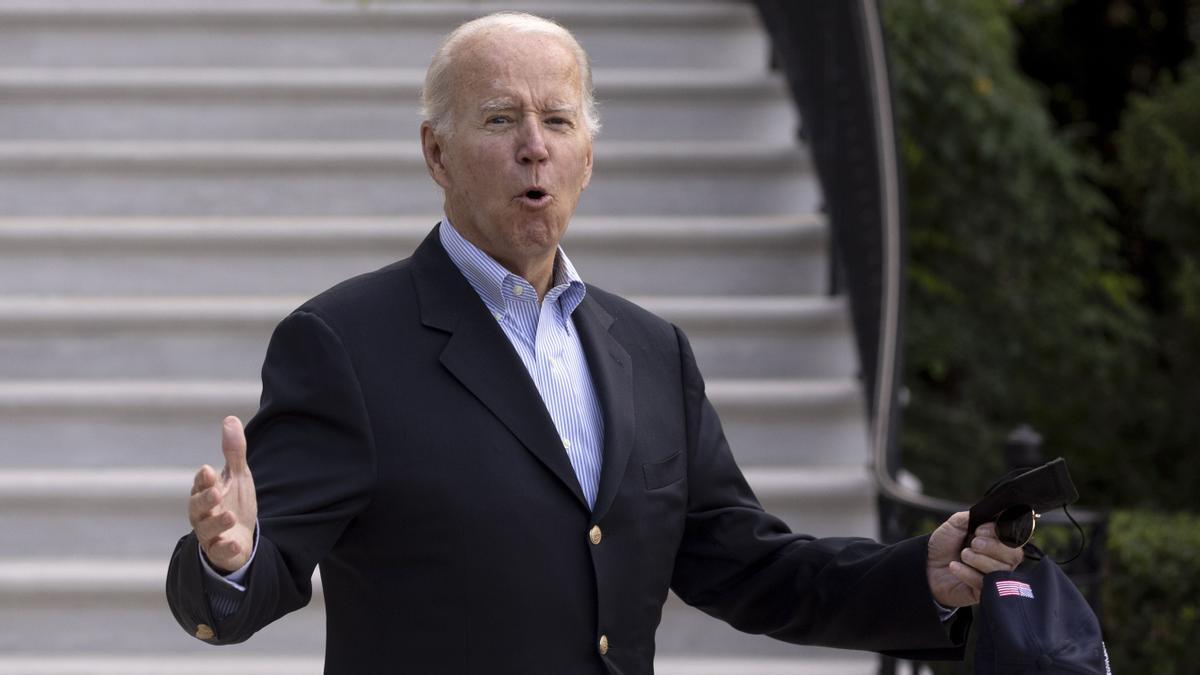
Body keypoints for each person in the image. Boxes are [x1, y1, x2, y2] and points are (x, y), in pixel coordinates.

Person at [166, 12, 1023, 675]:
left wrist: (923, 576)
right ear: (437, 151)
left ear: (588, 155)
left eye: (558, 120)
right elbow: (265, 562)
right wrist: (229, 560)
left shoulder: (652, 352)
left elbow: (745, 564)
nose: (533, 147)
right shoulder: (343, 343)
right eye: (500, 119)